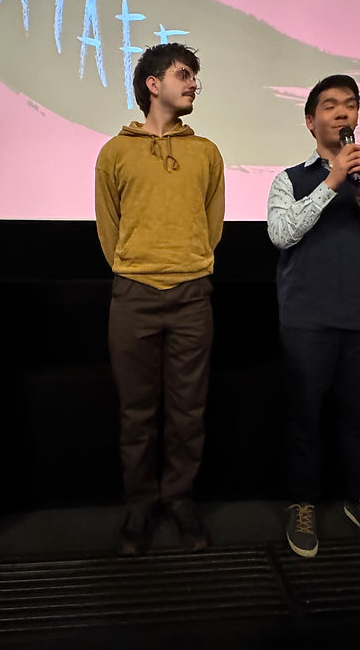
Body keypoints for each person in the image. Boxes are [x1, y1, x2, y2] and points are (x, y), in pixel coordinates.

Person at [267, 74, 360, 559]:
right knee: (304, 416)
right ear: (311, 121)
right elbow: (282, 234)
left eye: (350, 105)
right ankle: (303, 503)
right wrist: (330, 182)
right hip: (307, 318)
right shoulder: (289, 179)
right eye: (330, 106)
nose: (342, 113)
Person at [94, 43, 225, 556]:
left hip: (193, 293)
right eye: (184, 74)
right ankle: (139, 504)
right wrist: (136, 267)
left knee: (189, 410)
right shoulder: (115, 151)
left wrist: (188, 264)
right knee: (136, 410)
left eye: (194, 76)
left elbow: (211, 225)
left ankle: (180, 497)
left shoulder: (206, 151)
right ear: (153, 84)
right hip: (133, 294)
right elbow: (109, 229)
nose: (193, 84)